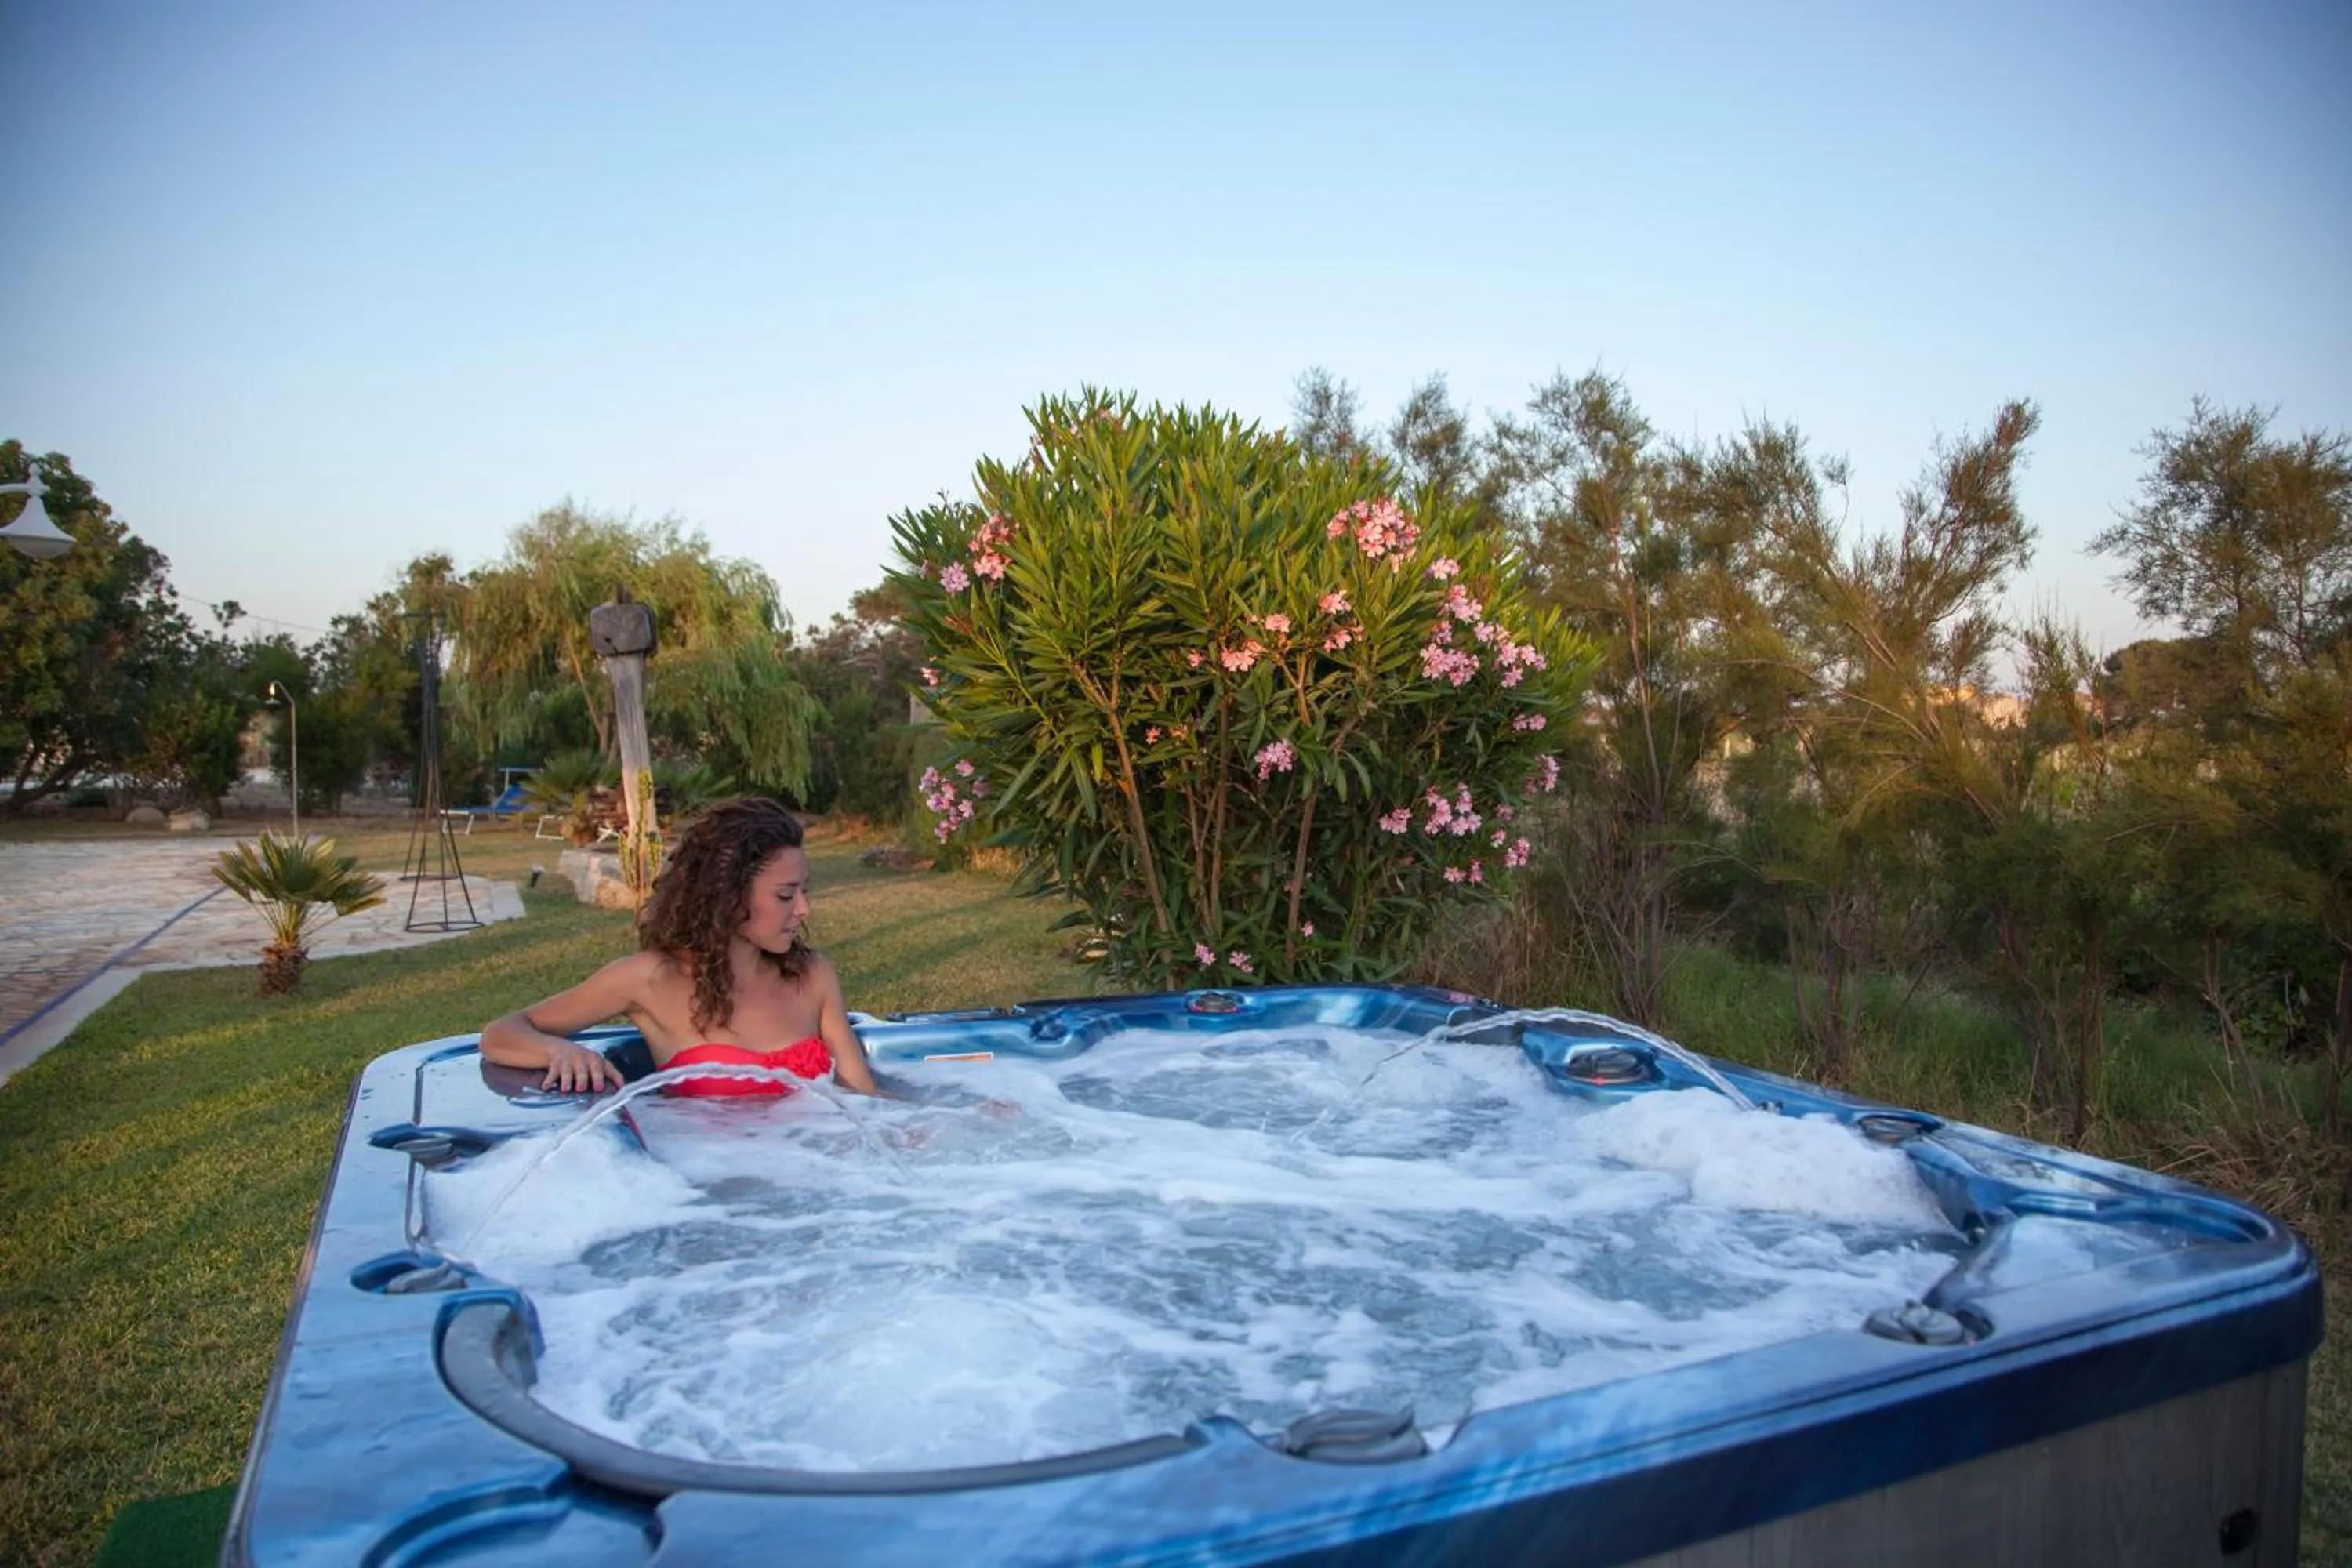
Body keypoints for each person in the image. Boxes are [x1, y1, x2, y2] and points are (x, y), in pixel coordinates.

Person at [480, 796, 880, 1098]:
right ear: (728, 894)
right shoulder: (651, 980)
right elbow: (502, 1033)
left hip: (824, 1178)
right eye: (785, 895)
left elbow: (864, 1099)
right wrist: (558, 1052)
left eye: (803, 892)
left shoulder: (812, 977)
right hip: (714, 1194)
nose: (803, 909)